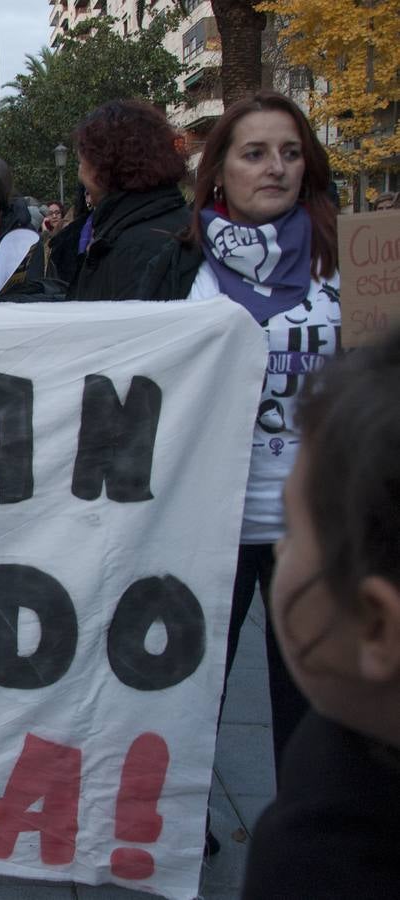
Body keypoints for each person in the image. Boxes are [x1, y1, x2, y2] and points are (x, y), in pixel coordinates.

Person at [140, 92, 339, 786]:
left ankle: (309, 850)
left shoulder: (350, 260)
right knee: (186, 695)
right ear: (219, 171)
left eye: (290, 153)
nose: (275, 168)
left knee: (315, 711)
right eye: (255, 153)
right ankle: (172, 830)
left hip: (321, 527)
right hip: (204, 529)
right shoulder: (177, 267)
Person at [240, 328, 400, 898]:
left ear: (377, 625)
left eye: (294, 531)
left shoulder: (316, 857)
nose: (279, 549)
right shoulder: (332, 752)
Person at [67, 100, 188, 300]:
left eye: (81, 161)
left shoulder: (133, 248)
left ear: (103, 165)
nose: (80, 174)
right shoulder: (175, 221)